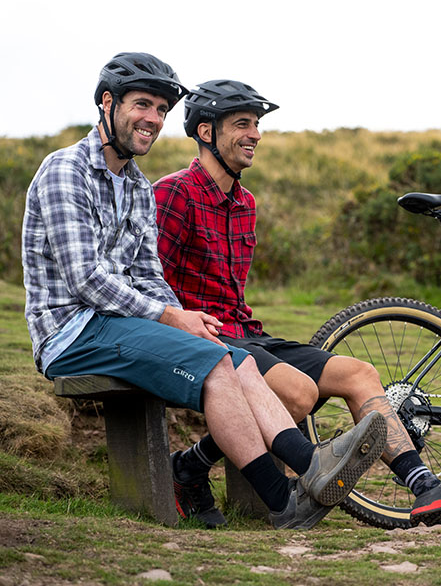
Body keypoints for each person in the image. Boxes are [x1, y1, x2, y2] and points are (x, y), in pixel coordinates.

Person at [22, 53, 387, 531]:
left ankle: (309, 470)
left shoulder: (134, 185)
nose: (152, 119)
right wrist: (172, 319)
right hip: (72, 333)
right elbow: (85, 279)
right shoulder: (65, 170)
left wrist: (188, 320)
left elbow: (149, 274)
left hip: (121, 325)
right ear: (108, 103)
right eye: (142, 105)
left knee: (237, 357)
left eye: (160, 110)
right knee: (217, 364)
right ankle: (286, 495)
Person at [153, 79, 441, 529]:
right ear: (206, 132)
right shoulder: (173, 193)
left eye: (257, 125)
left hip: (246, 332)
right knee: (298, 393)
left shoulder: (245, 202)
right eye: (242, 124)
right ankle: (193, 467)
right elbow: (150, 283)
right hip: (203, 340)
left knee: (359, 373)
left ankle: (425, 490)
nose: (256, 134)